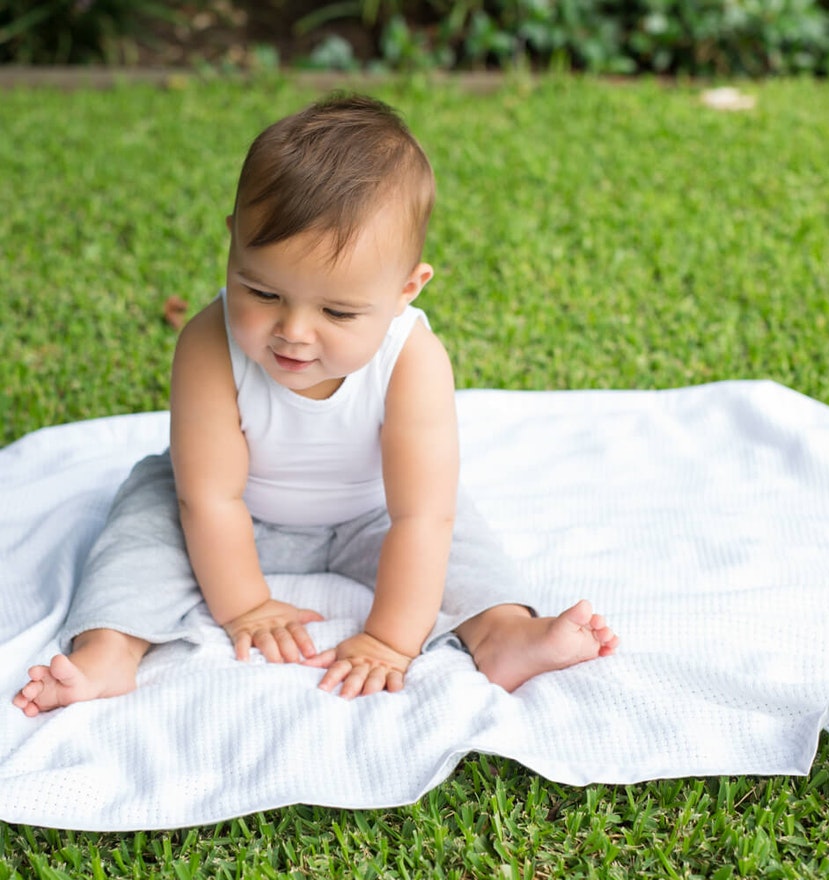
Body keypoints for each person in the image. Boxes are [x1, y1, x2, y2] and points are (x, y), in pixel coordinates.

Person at [14, 93, 618, 716]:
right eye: (262, 291)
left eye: (337, 311)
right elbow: (209, 498)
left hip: (372, 514)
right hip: (229, 511)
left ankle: (502, 633)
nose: (294, 332)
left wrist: (389, 639)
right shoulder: (208, 344)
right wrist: (245, 604)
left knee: (459, 539)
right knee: (141, 528)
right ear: (233, 245)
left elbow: (420, 518)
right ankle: (110, 648)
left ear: (405, 290)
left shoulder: (412, 359)